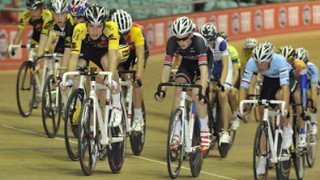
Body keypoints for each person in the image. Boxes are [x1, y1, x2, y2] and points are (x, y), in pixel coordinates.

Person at [67, 4, 129, 127]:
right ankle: (97, 120)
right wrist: (68, 79)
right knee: (90, 80)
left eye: (99, 26)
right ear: (86, 24)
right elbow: (74, 57)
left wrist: (110, 77)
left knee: (106, 61)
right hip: (97, 53)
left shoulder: (111, 28)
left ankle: (117, 106)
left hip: (118, 50)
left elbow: (112, 56)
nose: (95, 31)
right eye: (91, 26)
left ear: (104, 24)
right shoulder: (79, 29)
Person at [155, 16, 210, 152]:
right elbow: (167, 67)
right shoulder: (172, 42)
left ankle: (205, 132)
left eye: (184, 38)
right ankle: (177, 131)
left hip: (203, 65)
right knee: (178, 88)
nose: (181, 42)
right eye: (178, 39)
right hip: (186, 65)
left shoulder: (198, 42)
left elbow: (203, 70)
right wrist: (163, 88)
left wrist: (202, 90)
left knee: (197, 94)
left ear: (190, 34)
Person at [238, 42, 292, 175]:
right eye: (258, 63)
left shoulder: (280, 61)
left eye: (263, 63)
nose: (260, 66)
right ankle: (263, 158)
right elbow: (244, 85)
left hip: (286, 77)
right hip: (270, 79)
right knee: (262, 109)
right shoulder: (251, 62)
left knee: (280, 97)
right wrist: (241, 106)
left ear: (270, 60)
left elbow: (285, 87)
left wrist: (284, 107)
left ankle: (287, 129)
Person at [111, 9, 148, 132]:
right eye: (121, 34)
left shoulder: (136, 31)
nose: (124, 37)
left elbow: (140, 57)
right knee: (116, 70)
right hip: (121, 52)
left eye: (126, 33)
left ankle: (138, 117)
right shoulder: (110, 31)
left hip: (135, 53)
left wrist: (138, 76)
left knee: (135, 81)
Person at [200, 22, 233, 145]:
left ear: (215, 37)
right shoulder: (199, 43)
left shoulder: (221, 43)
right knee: (205, 94)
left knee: (222, 95)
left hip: (223, 68)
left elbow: (225, 66)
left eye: (211, 40)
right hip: (210, 67)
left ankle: (225, 132)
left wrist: (222, 83)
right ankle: (208, 120)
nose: (209, 43)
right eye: (206, 40)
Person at [278, 46, 308, 148]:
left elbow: (303, 86)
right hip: (284, 84)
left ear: (293, 60)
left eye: (289, 61)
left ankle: (302, 131)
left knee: (297, 97)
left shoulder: (300, 65)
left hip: (296, 85)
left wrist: (303, 108)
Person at [217, 32, 241, 131]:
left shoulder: (231, 50)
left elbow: (235, 72)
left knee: (232, 93)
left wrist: (231, 85)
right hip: (218, 74)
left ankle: (235, 116)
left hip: (230, 76)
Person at [295, 47, 318, 136]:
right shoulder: (292, 67)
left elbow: (314, 88)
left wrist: (313, 101)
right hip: (299, 84)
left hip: (310, 84)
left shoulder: (313, 69)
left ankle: (313, 121)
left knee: (311, 95)